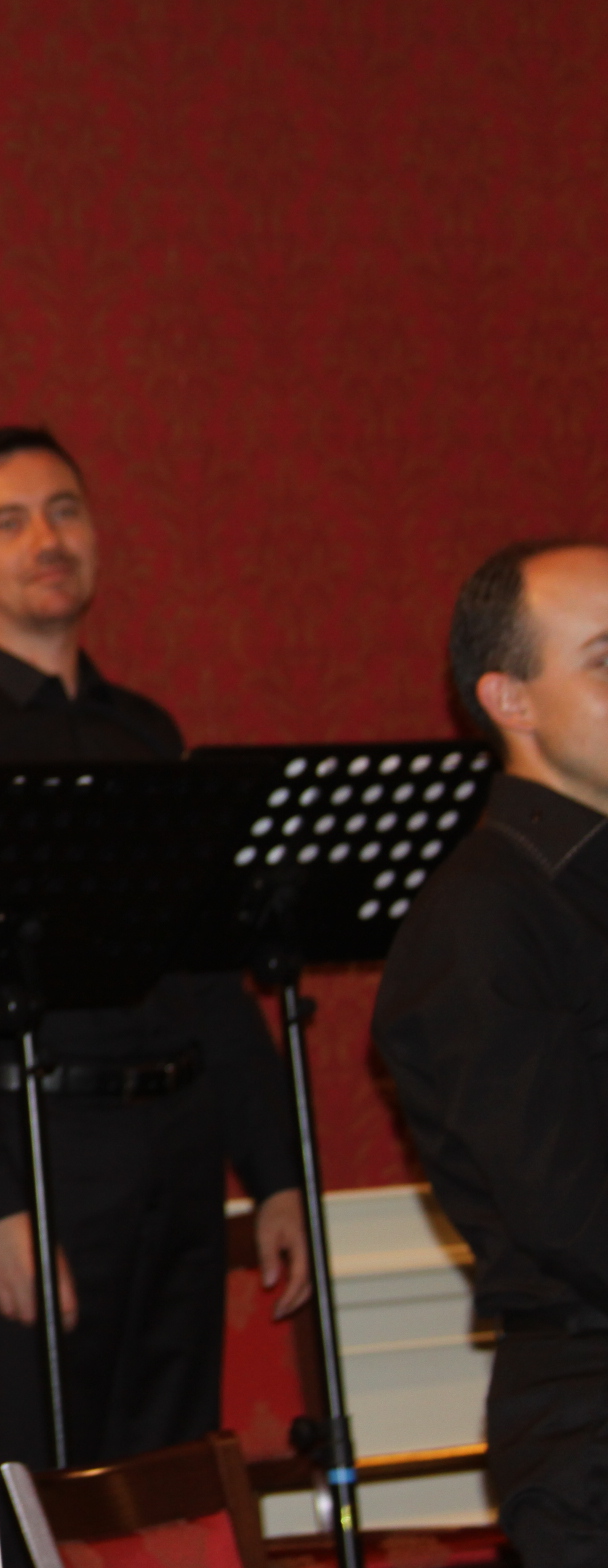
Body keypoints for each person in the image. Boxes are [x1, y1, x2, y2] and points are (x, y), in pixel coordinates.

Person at [0, 428, 312, 1475]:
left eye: (64, 511)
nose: (47, 539)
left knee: (174, 1479)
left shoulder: (147, 734)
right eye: (9, 522)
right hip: (37, 1152)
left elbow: (207, 979)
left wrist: (275, 1171)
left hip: (179, 1153)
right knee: (43, 1485)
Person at [375, 539, 608, 1568]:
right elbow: (569, 1211)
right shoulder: (484, 917)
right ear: (510, 700)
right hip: (593, 1419)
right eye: (605, 660)